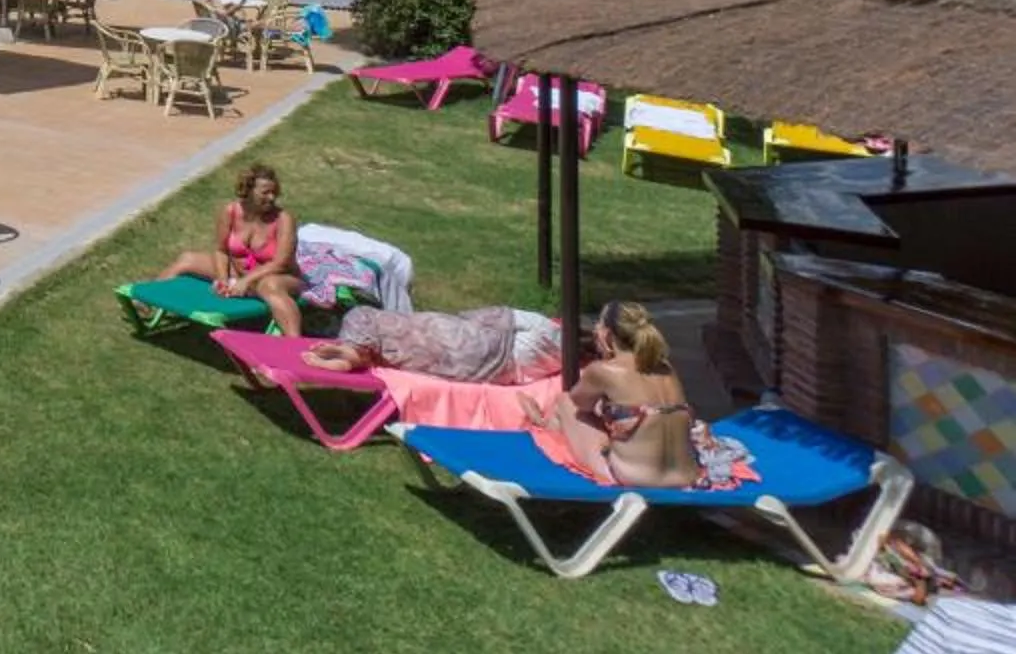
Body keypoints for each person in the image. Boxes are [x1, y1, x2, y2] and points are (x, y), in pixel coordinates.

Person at [527, 301, 735, 489]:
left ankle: (545, 428)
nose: (595, 330)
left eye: (598, 325)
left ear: (608, 335)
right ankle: (546, 425)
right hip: (687, 476)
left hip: (635, 479)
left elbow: (580, 404)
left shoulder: (603, 370)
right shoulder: (665, 367)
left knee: (565, 402)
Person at [152, 162, 304, 335]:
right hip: (238, 273)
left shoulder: (283, 219)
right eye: (265, 192)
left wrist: (246, 281)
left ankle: (294, 341)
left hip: (279, 277)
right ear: (248, 191)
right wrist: (222, 279)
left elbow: (281, 263)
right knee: (188, 259)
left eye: (274, 192)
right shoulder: (230, 212)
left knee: (269, 285)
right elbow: (221, 250)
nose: (271, 198)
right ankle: (145, 303)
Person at [301, 304, 564, 384]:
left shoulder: (545, 329)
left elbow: (495, 315)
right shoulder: (544, 366)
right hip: (482, 369)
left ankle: (354, 350)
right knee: (412, 344)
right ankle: (356, 351)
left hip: (468, 342)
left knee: (362, 314)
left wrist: (466, 317)